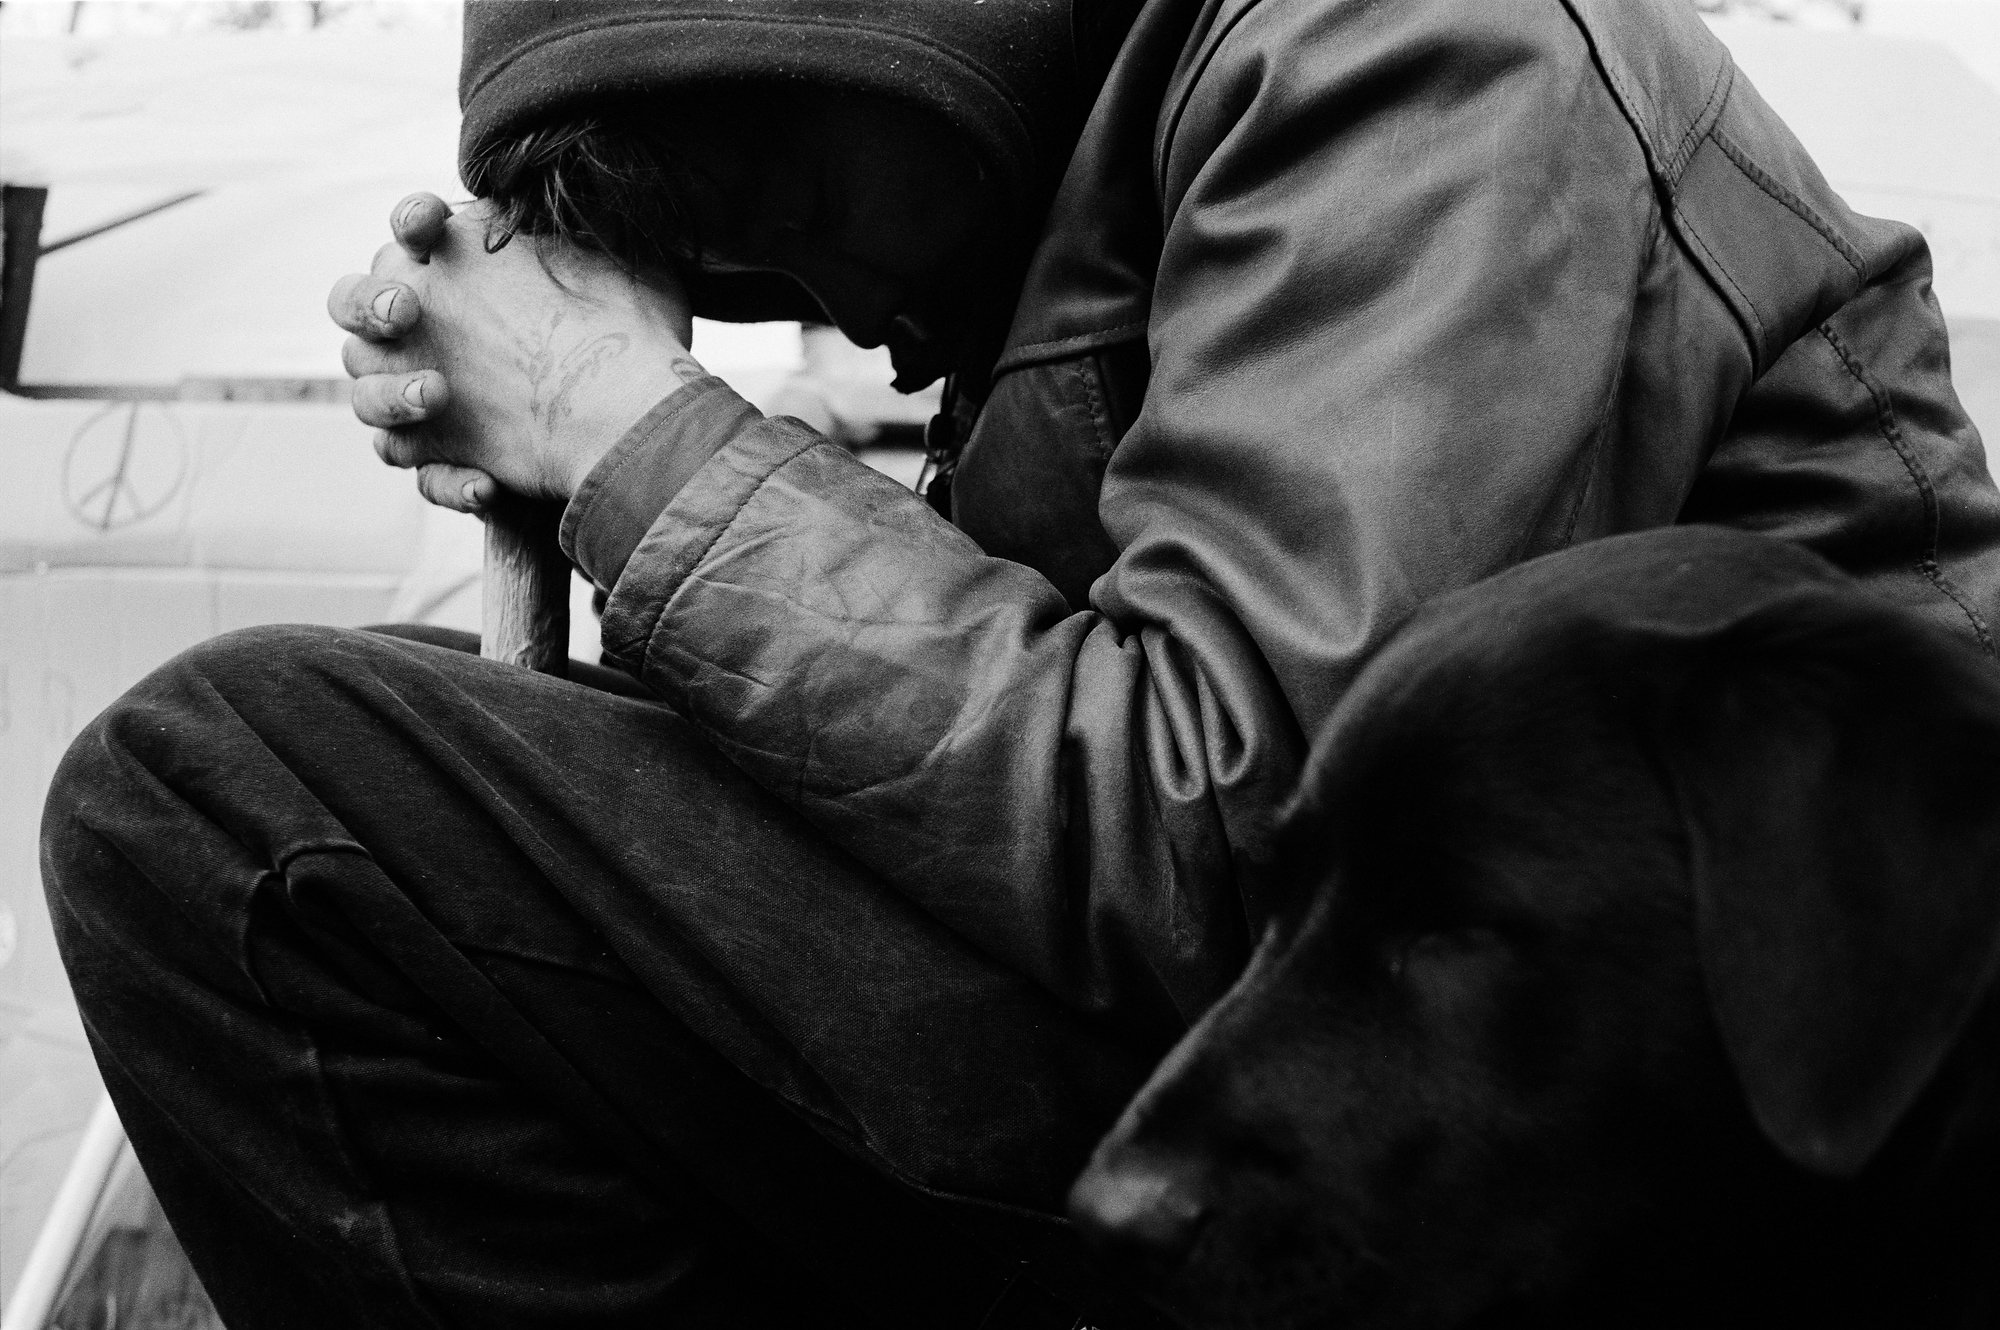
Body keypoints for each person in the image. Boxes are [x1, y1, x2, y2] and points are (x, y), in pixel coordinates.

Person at [40, 0, 2000, 1326]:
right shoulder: (1126, 170)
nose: (860, 334)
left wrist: (630, 428)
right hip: (1412, 1045)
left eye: (780, 229)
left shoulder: (1416, 52)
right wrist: (546, 558)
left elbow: (1213, 822)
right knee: (384, 768)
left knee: (233, 798)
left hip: (1769, 1095)